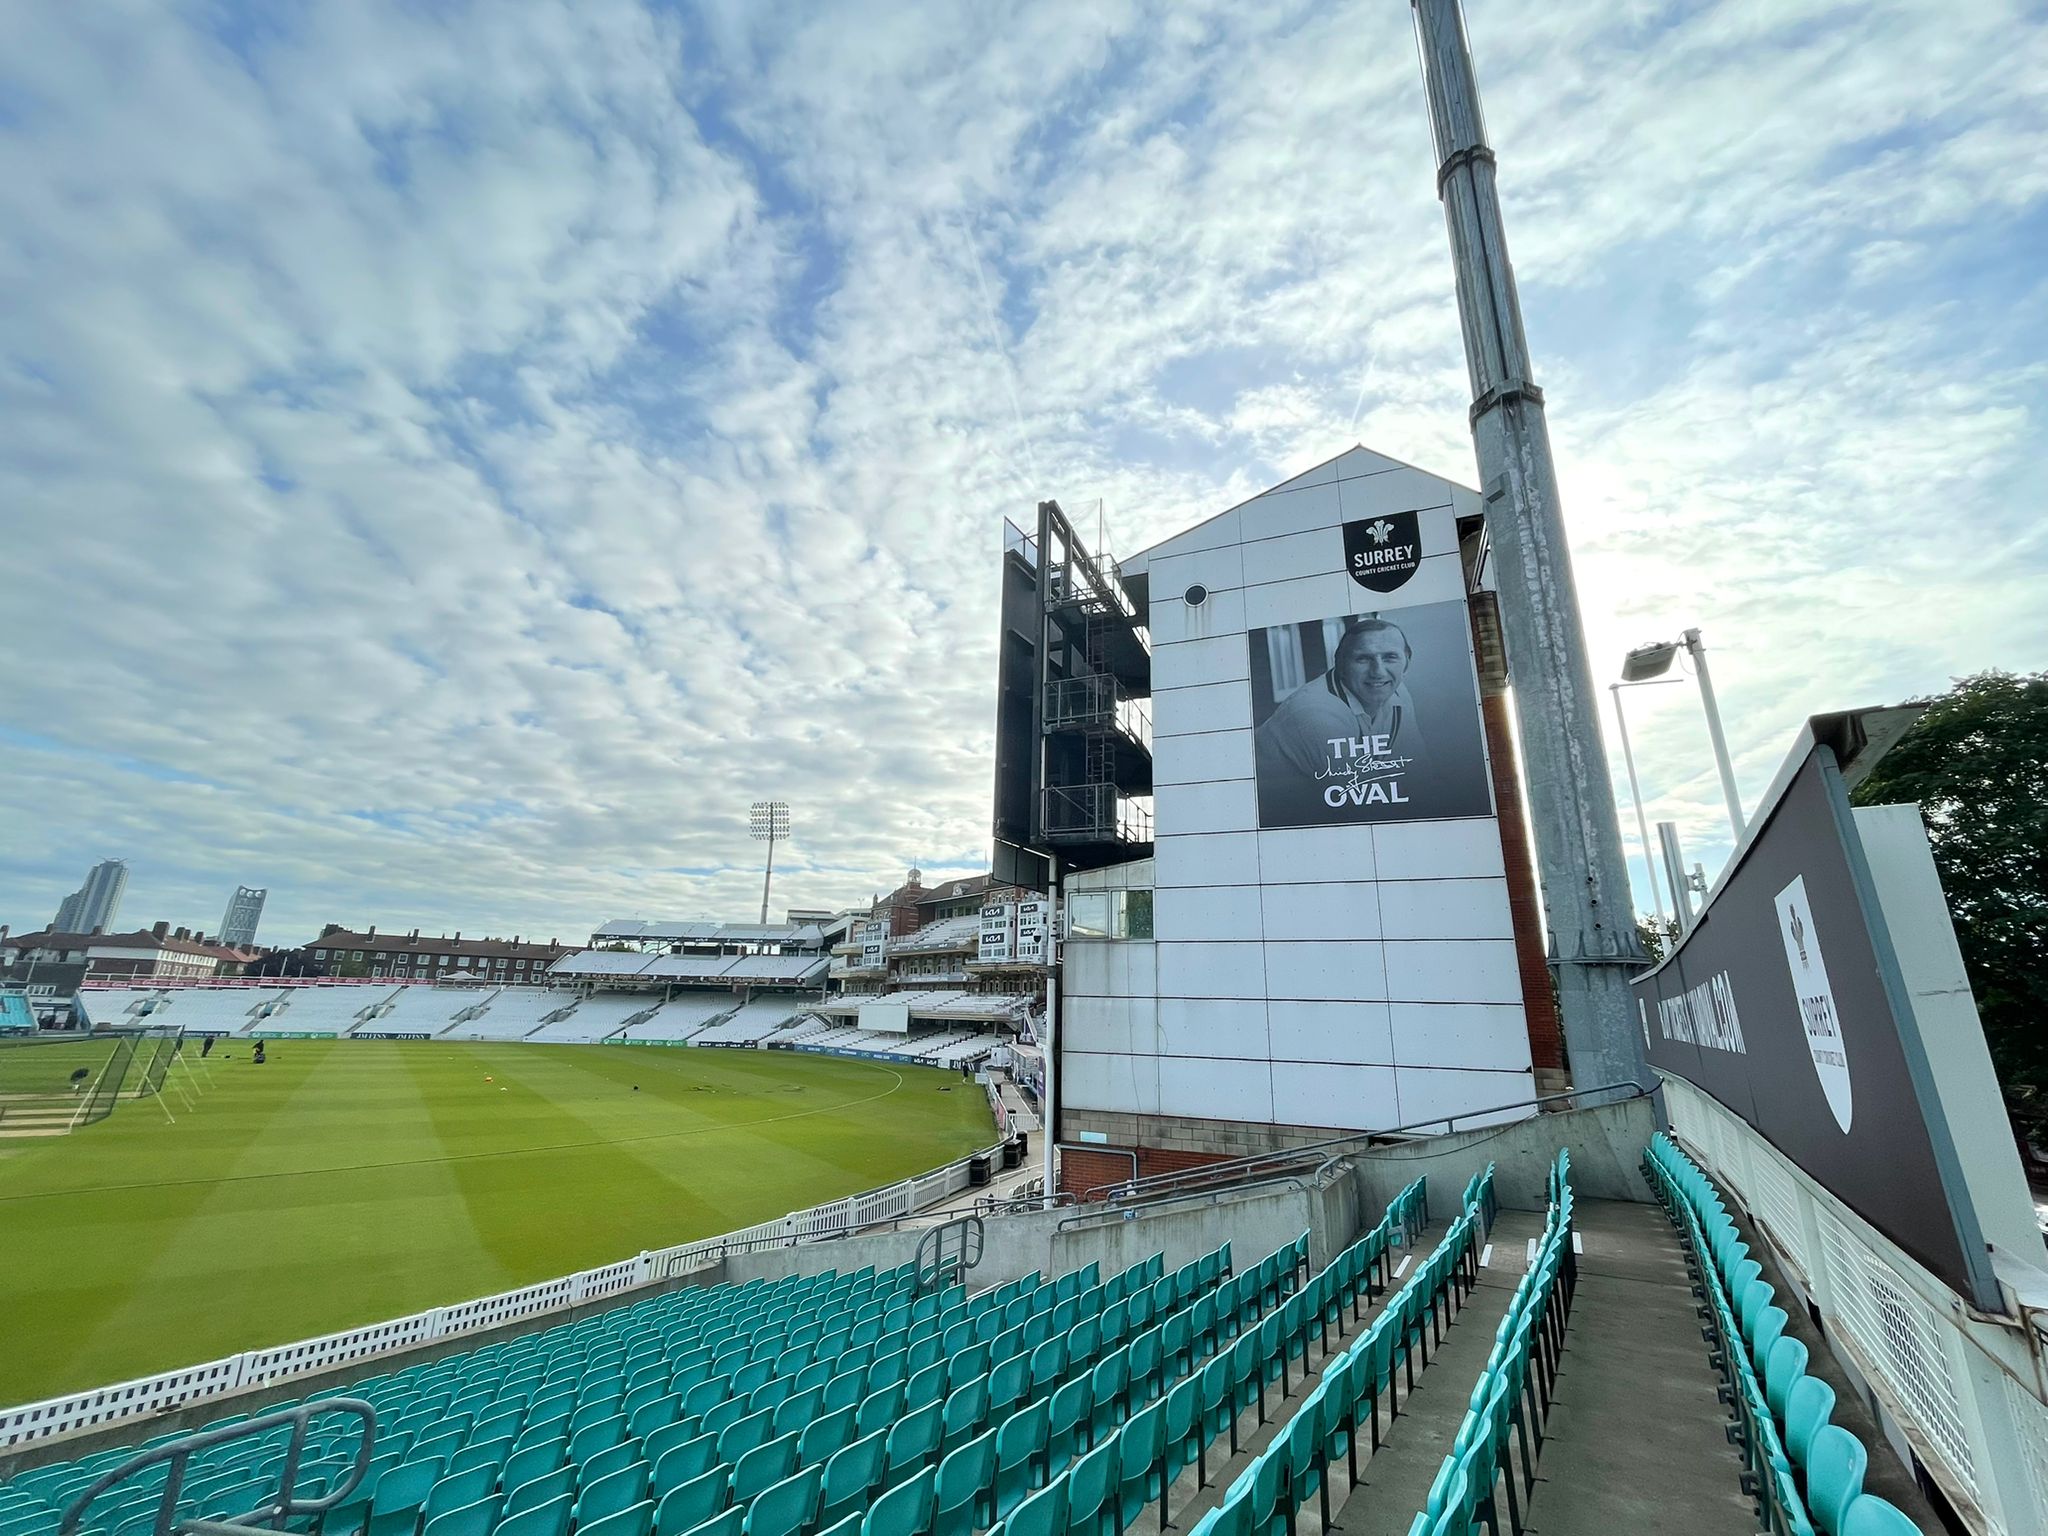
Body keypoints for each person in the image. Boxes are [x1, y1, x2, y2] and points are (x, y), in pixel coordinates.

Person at [1255, 617, 1431, 823]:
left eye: (1390, 657)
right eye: (1363, 659)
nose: (1378, 672)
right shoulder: (1315, 713)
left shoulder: (1397, 691)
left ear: (1407, 662)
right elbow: (1361, 808)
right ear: (1340, 664)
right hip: (1269, 818)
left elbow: (1419, 774)